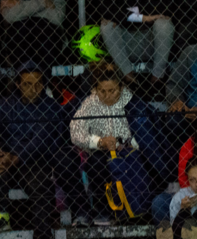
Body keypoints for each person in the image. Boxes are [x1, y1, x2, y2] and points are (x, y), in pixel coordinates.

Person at [0, 62, 86, 239]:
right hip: (7, 159)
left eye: (37, 84)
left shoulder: (50, 106)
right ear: (19, 85)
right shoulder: (3, 105)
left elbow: (40, 140)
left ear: (43, 84)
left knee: (41, 183)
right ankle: (0, 215)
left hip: (36, 160)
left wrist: (15, 157)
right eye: (27, 84)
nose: (33, 89)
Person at [69, 62, 168, 225]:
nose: (107, 96)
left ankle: (137, 208)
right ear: (95, 88)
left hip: (129, 154)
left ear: (121, 88)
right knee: (96, 163)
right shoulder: (90, 104)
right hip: (102, 152)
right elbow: (76, 131)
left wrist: (130, 143)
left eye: (112, 91)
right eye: (102, 91)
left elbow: (147, 135)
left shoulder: (133, 104)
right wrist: (98, 142)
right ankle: (103, 212)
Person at [98, 0, 175, 91]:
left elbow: (164, 11)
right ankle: (129, 77)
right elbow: (107, 11)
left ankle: (157, 79)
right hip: (127, 44)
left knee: (164, 24)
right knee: (106, 26)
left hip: (150, 42)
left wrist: (126, 14)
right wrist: (144, 17)